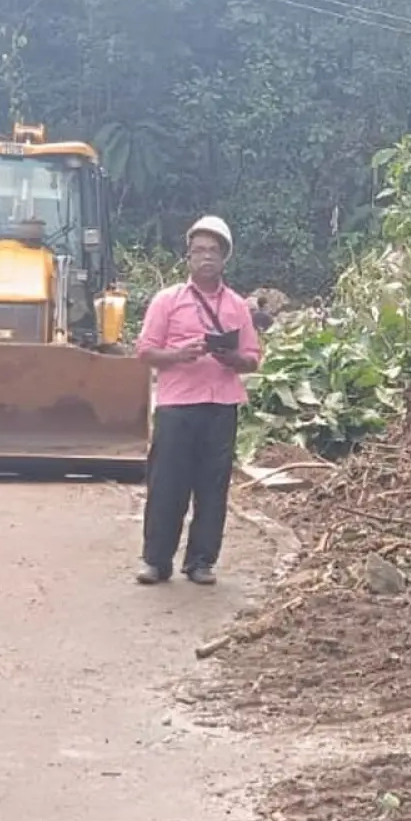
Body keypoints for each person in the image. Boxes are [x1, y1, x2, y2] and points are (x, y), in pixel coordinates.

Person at [133, 215, 261, 586]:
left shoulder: (238, 306)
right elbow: (144, 351)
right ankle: (156, 561)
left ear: (225, 259)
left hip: (221, 405)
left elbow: (253, 357)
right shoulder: (166, 301)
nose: (206, 257)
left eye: (214, 251)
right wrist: (178, 355)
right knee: (167, 484)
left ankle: (202, 561)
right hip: (177, 405)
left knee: (212, 486)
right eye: (199, 250)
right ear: (187, 257)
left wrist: (232, 359)